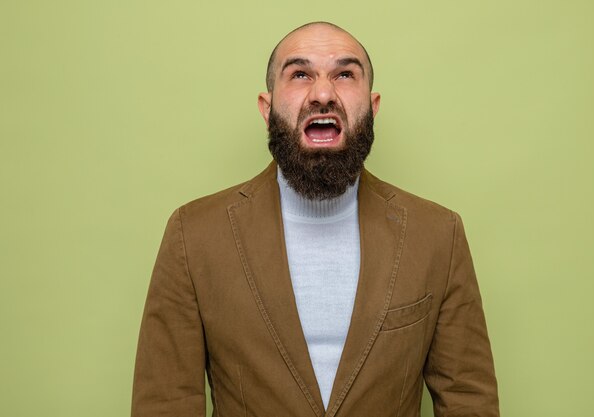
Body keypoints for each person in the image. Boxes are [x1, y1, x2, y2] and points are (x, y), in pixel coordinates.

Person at [131, 21, 499, 417]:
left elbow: (468, 401)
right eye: (300, 74)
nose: (323, 93)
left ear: (372, 108)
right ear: (267, 107)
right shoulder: (194, 235)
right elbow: (164, 405)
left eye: (344, 74)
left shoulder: (438, 236)